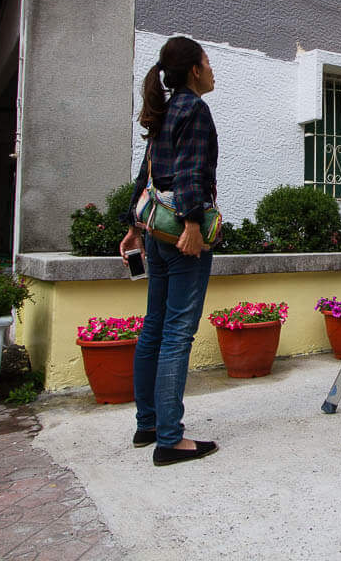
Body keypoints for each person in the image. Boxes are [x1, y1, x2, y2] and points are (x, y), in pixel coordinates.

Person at [120, 36, 220, 466]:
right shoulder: (193, 109)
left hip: (155, 230)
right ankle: (170, 439)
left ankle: (148, 424)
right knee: (178, 332)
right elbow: (189, 172)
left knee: (155, 327)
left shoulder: (163, 110)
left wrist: (133, 227)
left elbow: (148, 172)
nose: (213, 68)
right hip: (182, 235)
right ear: (194, 70)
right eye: (208, 61)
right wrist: (195, 224)